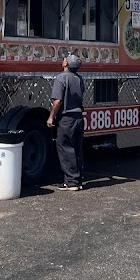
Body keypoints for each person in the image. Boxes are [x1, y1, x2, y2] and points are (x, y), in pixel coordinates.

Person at [47, 53, 85, 190]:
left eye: (65, 59)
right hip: (79, 118)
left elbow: (58, 100)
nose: (63, 60)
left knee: (64, 147)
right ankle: (77, 180)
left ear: (66, 64)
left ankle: (71, 182)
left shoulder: (61, 78)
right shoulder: (79, 79)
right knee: (76, 148)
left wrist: (51, 116)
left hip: (66, 119)